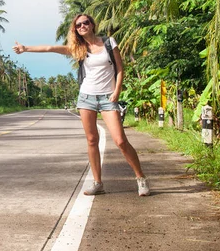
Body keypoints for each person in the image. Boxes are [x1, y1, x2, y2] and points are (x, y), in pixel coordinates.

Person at [12, 14, 150, 196]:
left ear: (92, 25)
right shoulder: (78, 49)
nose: (82, 26)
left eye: (86, 23)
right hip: (86, 98)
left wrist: (117, 91)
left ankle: (141, 179)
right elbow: (50, 48)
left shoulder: (109, 42)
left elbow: (120, 68)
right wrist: (25, 48)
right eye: (78, 25)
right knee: (92, 140)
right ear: (75, 29)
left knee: (120, 141)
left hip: (108, 98)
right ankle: (98, 183)